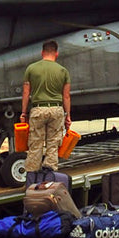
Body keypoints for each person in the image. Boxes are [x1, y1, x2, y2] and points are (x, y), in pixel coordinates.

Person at [18, 40, 71, 177]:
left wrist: (23, 113)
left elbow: (26, 93)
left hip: (38, 110)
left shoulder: (31, 68)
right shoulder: (63, 71)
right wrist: (68, 115)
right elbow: (66, 96)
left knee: (35, 145)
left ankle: (31, 179)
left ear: (42, 53)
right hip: (56, 110)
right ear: (56, 53)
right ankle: (49, 178)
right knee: (53, 144)